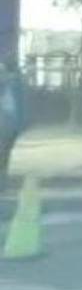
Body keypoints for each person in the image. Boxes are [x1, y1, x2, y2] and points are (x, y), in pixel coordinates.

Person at [0, 59, 26, 191]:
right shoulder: (8, 85)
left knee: (5, 153)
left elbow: (20, 106)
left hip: (10, 122)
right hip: (5, 121)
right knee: (3, 153)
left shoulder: (14, 86)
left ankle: (3, 181)